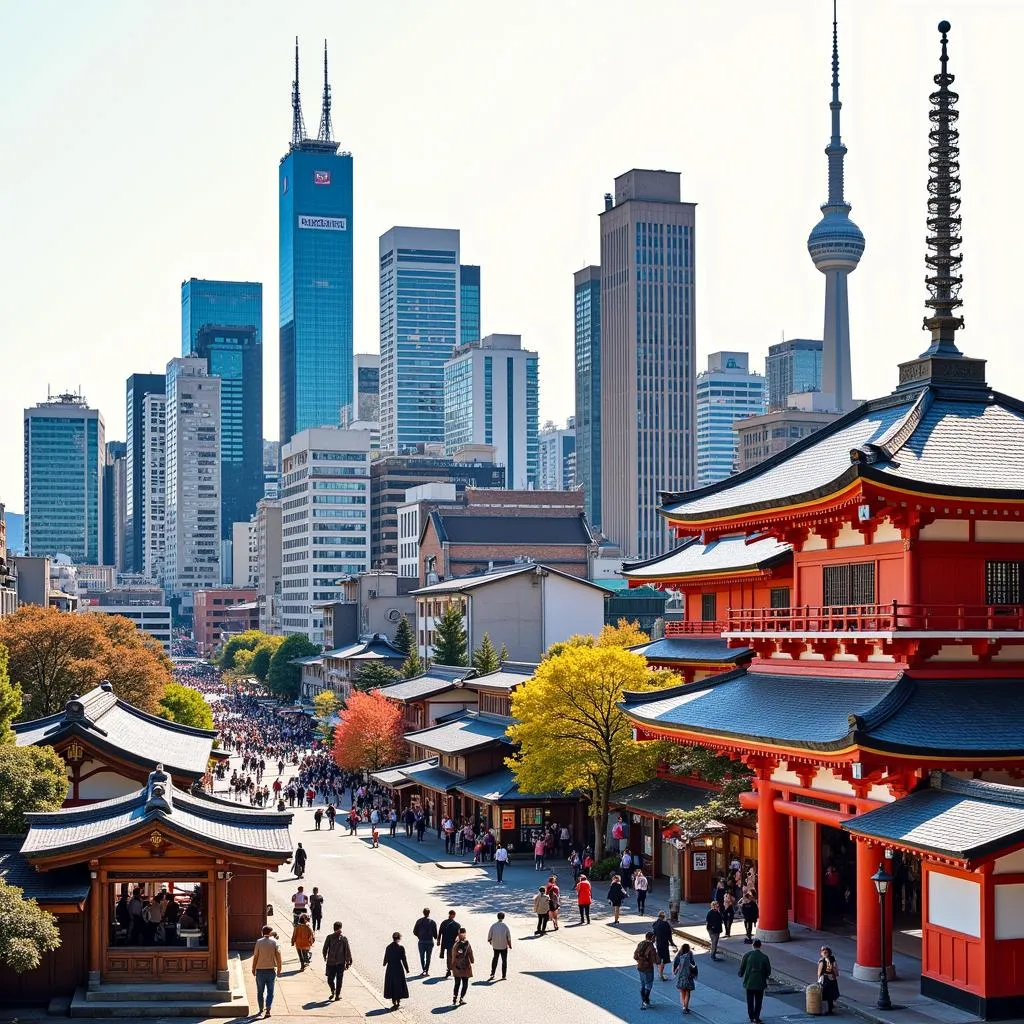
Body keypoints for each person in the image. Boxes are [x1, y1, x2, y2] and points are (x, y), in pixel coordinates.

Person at [739, 938, 772, 1024]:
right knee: (758, 1001)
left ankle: (751, 1017)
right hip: (760, 983)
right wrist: (765, 976)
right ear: (760, 946)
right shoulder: (764, 957)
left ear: (752, 945)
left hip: (749, 982)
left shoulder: (747, 955)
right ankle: (757, 1017)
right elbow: (768, 971)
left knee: (750, 1001)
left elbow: (742, 969)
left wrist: (741, 974)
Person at [252, 924, 283, 1018]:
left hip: (260, 970)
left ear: (262, 932)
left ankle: (261, 1009)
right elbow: (278, 956)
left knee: (260, 991)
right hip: (270, 970)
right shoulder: (275, 942)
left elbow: (255, 956)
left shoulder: (258, 942)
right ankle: (268, 1008)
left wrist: (253, 968)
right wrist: (279, 969)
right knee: (270, 991)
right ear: (270, 933)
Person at [322, 921, 352, 1000]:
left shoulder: (340, 938)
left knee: (332, 979)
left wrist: (325, 956)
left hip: (335, 962)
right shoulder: (338, 938)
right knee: (335, 979)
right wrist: (348, 962)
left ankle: (336, 993)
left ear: (334, 927)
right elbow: (347, 951)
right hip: (337, 962)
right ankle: (335, 992)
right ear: (340, 928)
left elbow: (325, 948)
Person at [382, 932, 410, 1011]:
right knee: (398, 984)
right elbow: (404, 959)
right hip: (398, 968)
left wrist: (384, 963)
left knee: (391, 984)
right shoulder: (401, 948)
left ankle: (393, 1000)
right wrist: (407, 969)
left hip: (390, 968)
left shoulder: (388, 947)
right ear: (399, 938)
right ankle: (398, 1001)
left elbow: (386, 958)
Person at [634, 930, 657, 1010]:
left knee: (642, 984)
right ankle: (646, 1001)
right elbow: (656, 960)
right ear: (652, 938)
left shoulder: (640, 944)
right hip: (648, 968)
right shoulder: (651, 946)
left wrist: (640, 962)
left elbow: (635, 956)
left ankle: (644, 1001)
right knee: (649, 985)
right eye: (654, 938)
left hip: (640, 967)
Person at [486, 911, 512, 981]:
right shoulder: (505, 926)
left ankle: (492, 973)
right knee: (504, 960)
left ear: (497, 917)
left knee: (495, 959)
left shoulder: (493, 926)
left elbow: (489, 936)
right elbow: (508, 937)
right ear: (503, 917)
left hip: (495, 946)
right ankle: (504, 975)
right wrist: (510, 945)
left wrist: (491, 942)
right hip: (503, 946)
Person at [451, 928, 474, 1005]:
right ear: (465, 933)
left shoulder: (456, 944)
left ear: (458, 933)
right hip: (465, 966)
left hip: (457, 966)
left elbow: (453, 955)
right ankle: (461, 998)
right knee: (465, 983)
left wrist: (453, 964)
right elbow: (470, 952)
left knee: (457, 983)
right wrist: (472, 960)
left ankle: (455, 997)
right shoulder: (467, 943)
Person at [673, 943, 697, 1014]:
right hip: (688, 977)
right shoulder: (690, 956)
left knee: (682, 992)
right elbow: (694, 966)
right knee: (688, 993)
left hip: (681, 977)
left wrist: (675, 972)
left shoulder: (680, 957)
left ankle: (683, 1006)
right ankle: (686, 1007)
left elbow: (676, 970)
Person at [413, 907, 438, 975]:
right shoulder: (432, 922)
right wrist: (435, 938)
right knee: (428, 957)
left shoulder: (419, 921)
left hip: (421, 941)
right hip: (429, 941)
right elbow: (435, 934)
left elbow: (414, 931)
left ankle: (423, 969)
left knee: (422, 956)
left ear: (423, 913)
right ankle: (426, 970)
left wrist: (419, 936)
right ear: (429, 913)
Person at [653, 910, 676, 980]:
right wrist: (672, 944)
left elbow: (654, 934)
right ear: (664, 917)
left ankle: (660, 973)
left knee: (660, 958)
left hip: (658, 943)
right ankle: (661, 974)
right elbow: (669, 936)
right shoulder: (666, 924)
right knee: (664, 959)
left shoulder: (655, 924)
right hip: (664, 944)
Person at [437, 909, 461, 978]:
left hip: (447, 943)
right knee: (451, 957)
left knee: (449, 957)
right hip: (452, 944)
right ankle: (450, 970)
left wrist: (438, 940)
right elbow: (459, 935)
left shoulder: (444, 923)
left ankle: (450, 970)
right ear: (453, 915)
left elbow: (440, 932)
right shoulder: (457, 925)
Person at [817, 945, 840, 1014]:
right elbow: (836, 969)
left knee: (826, 994)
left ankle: (828, 1008)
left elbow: (819, 971)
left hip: (825, 979)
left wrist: (818, 979)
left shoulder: (822, 960)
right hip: (832, 978)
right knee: (831, 993)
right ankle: (830, 1006)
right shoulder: (832, 960)